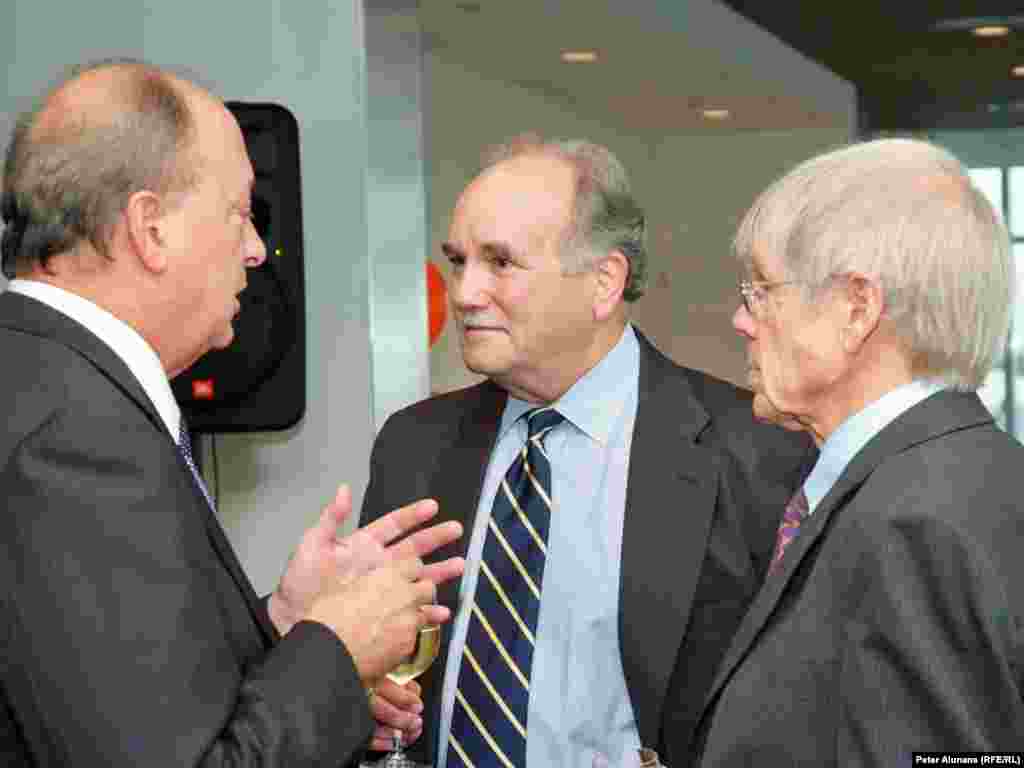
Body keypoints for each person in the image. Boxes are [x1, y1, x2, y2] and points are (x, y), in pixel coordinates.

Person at [0, 59, 464, 767]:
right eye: (240, 213)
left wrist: (280, 625)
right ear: (150, 229)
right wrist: (336, 648)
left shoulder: (44, 379)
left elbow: (121, 700)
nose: (255, 250)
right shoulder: (80, 436)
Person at [359, 135, 814, 767]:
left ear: (604, 282)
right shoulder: (414, 445)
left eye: (500, 263)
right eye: (458, 261)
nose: (463, 293)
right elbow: (376, 666)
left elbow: (802, 703)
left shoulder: (753, 450)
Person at [692, 138, 1024, 766]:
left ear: (856, 307)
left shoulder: (915, 524)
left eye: (762, 289)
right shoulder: (965, 479)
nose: (741, 319)